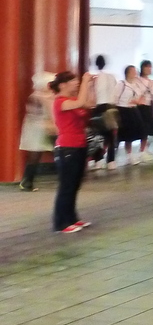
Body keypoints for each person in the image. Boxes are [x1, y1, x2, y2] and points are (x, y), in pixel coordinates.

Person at [50, 71, 95, 232]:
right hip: (67, 148)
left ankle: (71, 218)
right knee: (66, 186)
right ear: (62, 85)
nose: (76, 83)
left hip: (80, 146)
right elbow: (82, 101)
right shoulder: (60, 102)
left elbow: (90, 103)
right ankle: (60, 223)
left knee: (75, 185)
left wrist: (89, 85)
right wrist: (84, 81)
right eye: (73, 80)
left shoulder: (74, 100)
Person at [18, 72, 56, 191]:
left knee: (35, 155)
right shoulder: (39, 96)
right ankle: (27, 181)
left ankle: (27, 181)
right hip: (38, 129)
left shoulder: (38, 95)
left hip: (37, 129)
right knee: (35, 155)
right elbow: (39, 114)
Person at [91, 55, 119, 170]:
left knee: (97, 134)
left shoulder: (94, 78)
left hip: (98, 107)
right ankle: (111, 161)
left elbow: (93, 94)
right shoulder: (112, 77)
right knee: (111, 135)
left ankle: (98, 160)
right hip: (111, 107)